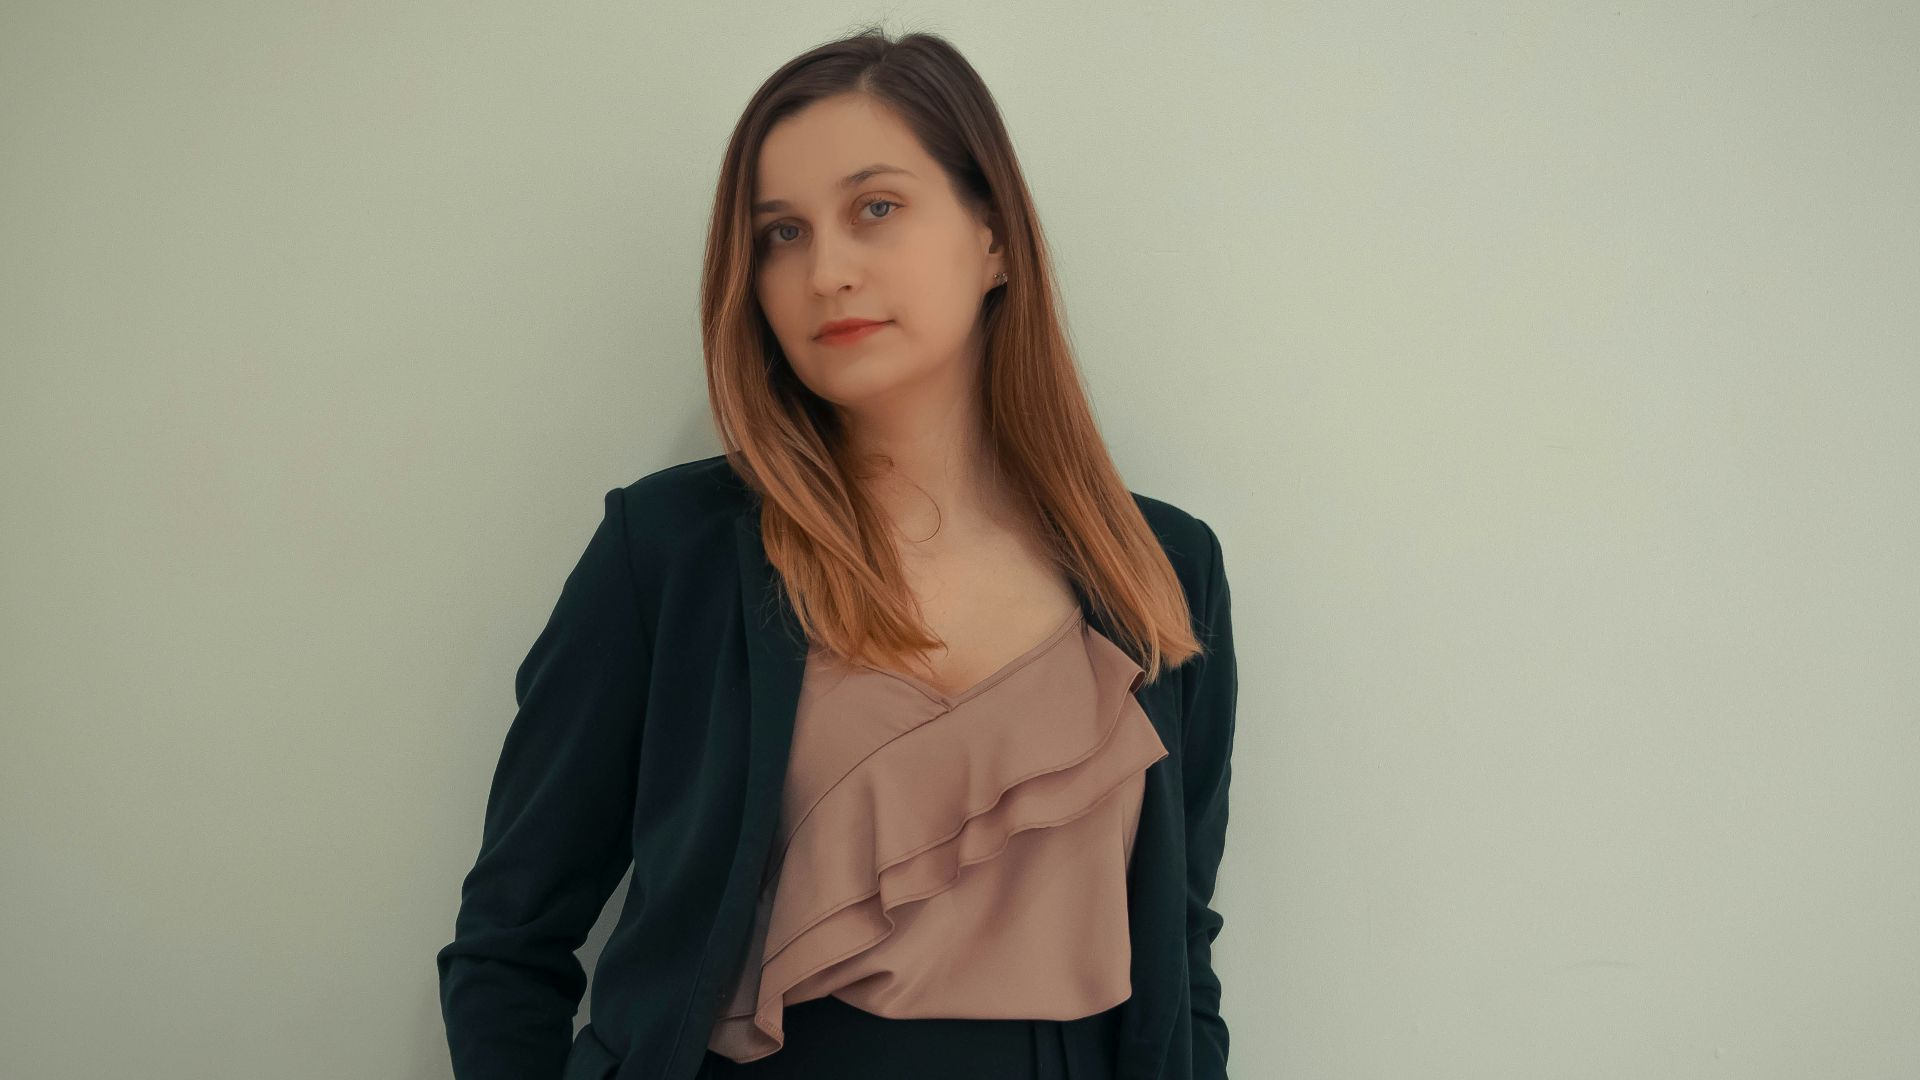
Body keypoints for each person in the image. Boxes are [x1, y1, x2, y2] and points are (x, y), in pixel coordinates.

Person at [436, 25, 1237, 1080]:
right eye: (780, 234)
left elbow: (1179, 961)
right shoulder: (671, 553)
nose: (826, 272)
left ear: (993, 238)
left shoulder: (1162, 568)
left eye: (875, 208)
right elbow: (509, 941)